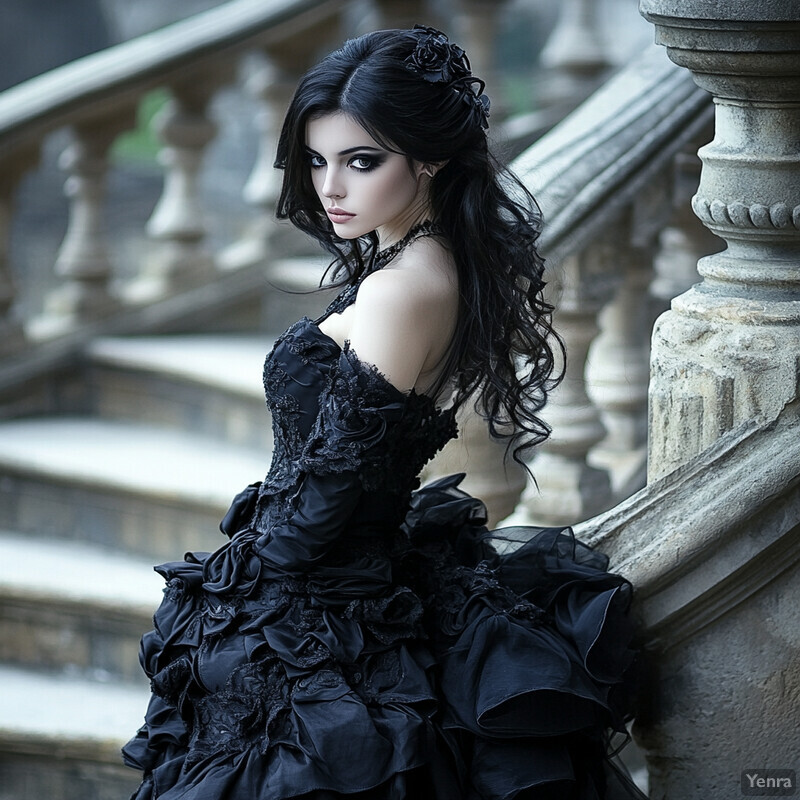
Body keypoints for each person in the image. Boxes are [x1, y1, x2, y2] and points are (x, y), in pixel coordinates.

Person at [123, 25, 642, 800]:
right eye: (317, 160)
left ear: (428, 158)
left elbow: (330, 488)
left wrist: (240, 586)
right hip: (350, 569)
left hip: (325, 590)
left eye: (362, 162)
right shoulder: (419, 260)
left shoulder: (402, 287)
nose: (332, 188)